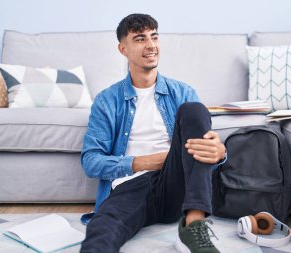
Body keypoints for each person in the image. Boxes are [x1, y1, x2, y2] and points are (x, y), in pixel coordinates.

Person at [80, 13, 226, 253]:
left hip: (175, 184)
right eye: (139, 39)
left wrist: (220, 153)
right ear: (123, 49)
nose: (150, 45)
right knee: (102, 229)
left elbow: (202, 152)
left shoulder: (183, 92)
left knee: (194, 110)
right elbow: (91, 161)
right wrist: (145, 162)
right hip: (129, 187)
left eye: (154, 37)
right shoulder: (107, 101)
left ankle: (194, 225)